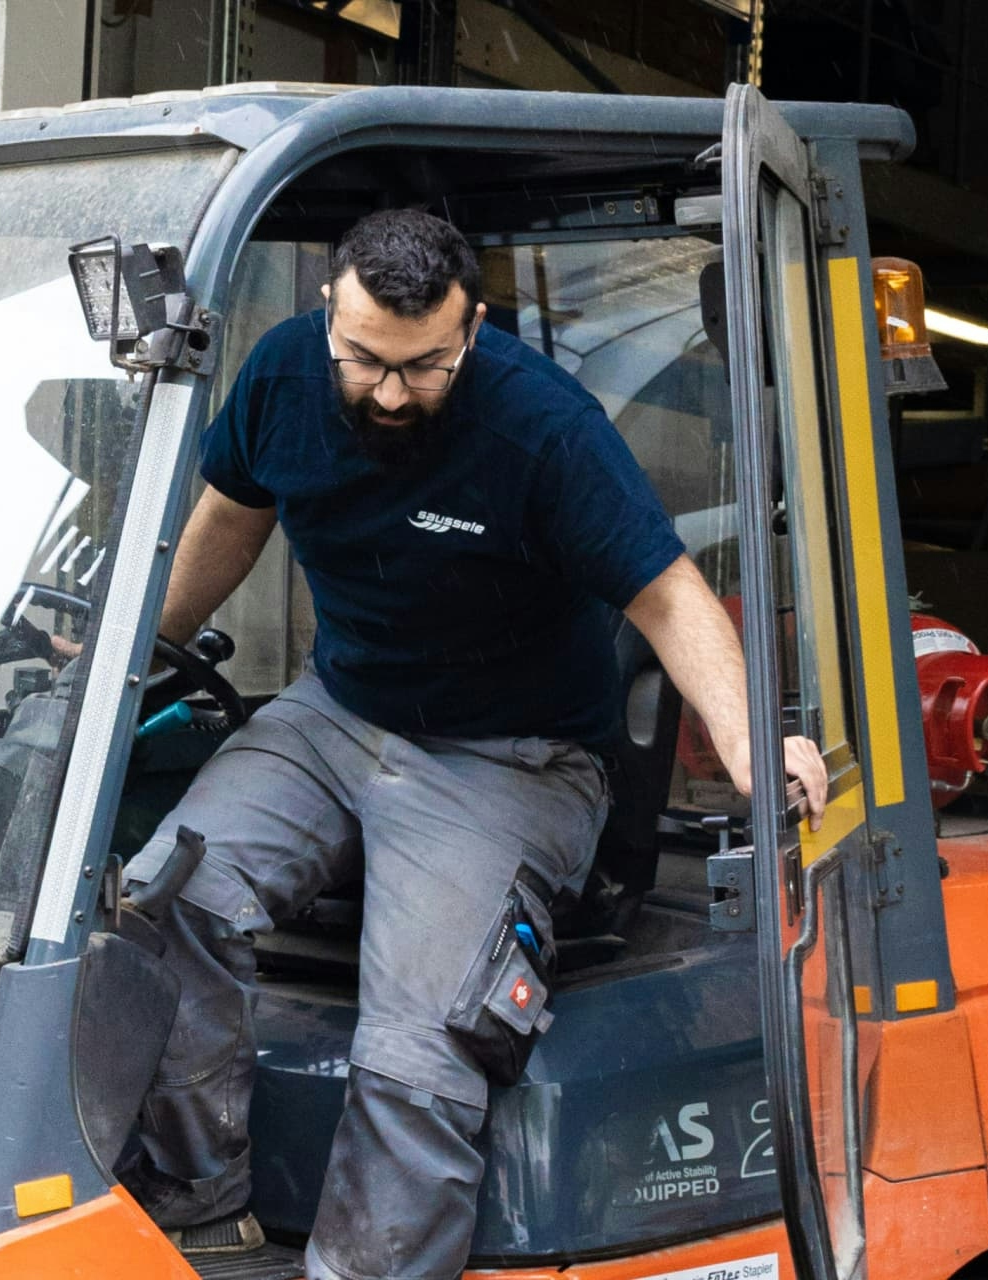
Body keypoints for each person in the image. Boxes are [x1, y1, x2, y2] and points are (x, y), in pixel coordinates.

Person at [115, 209, 828, 1280]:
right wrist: (128, 654)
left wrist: (748, 739)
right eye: (366, 361)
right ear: (329, 317)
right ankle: (201, 1196)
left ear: (474, 328)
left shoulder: (542, 427)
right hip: (338, 712)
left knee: (416, 1052)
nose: (391, 392)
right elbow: (230, 518)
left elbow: (671, 597)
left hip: (511, 755)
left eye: (425, 366)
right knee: (164, 896)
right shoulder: (281, 376)